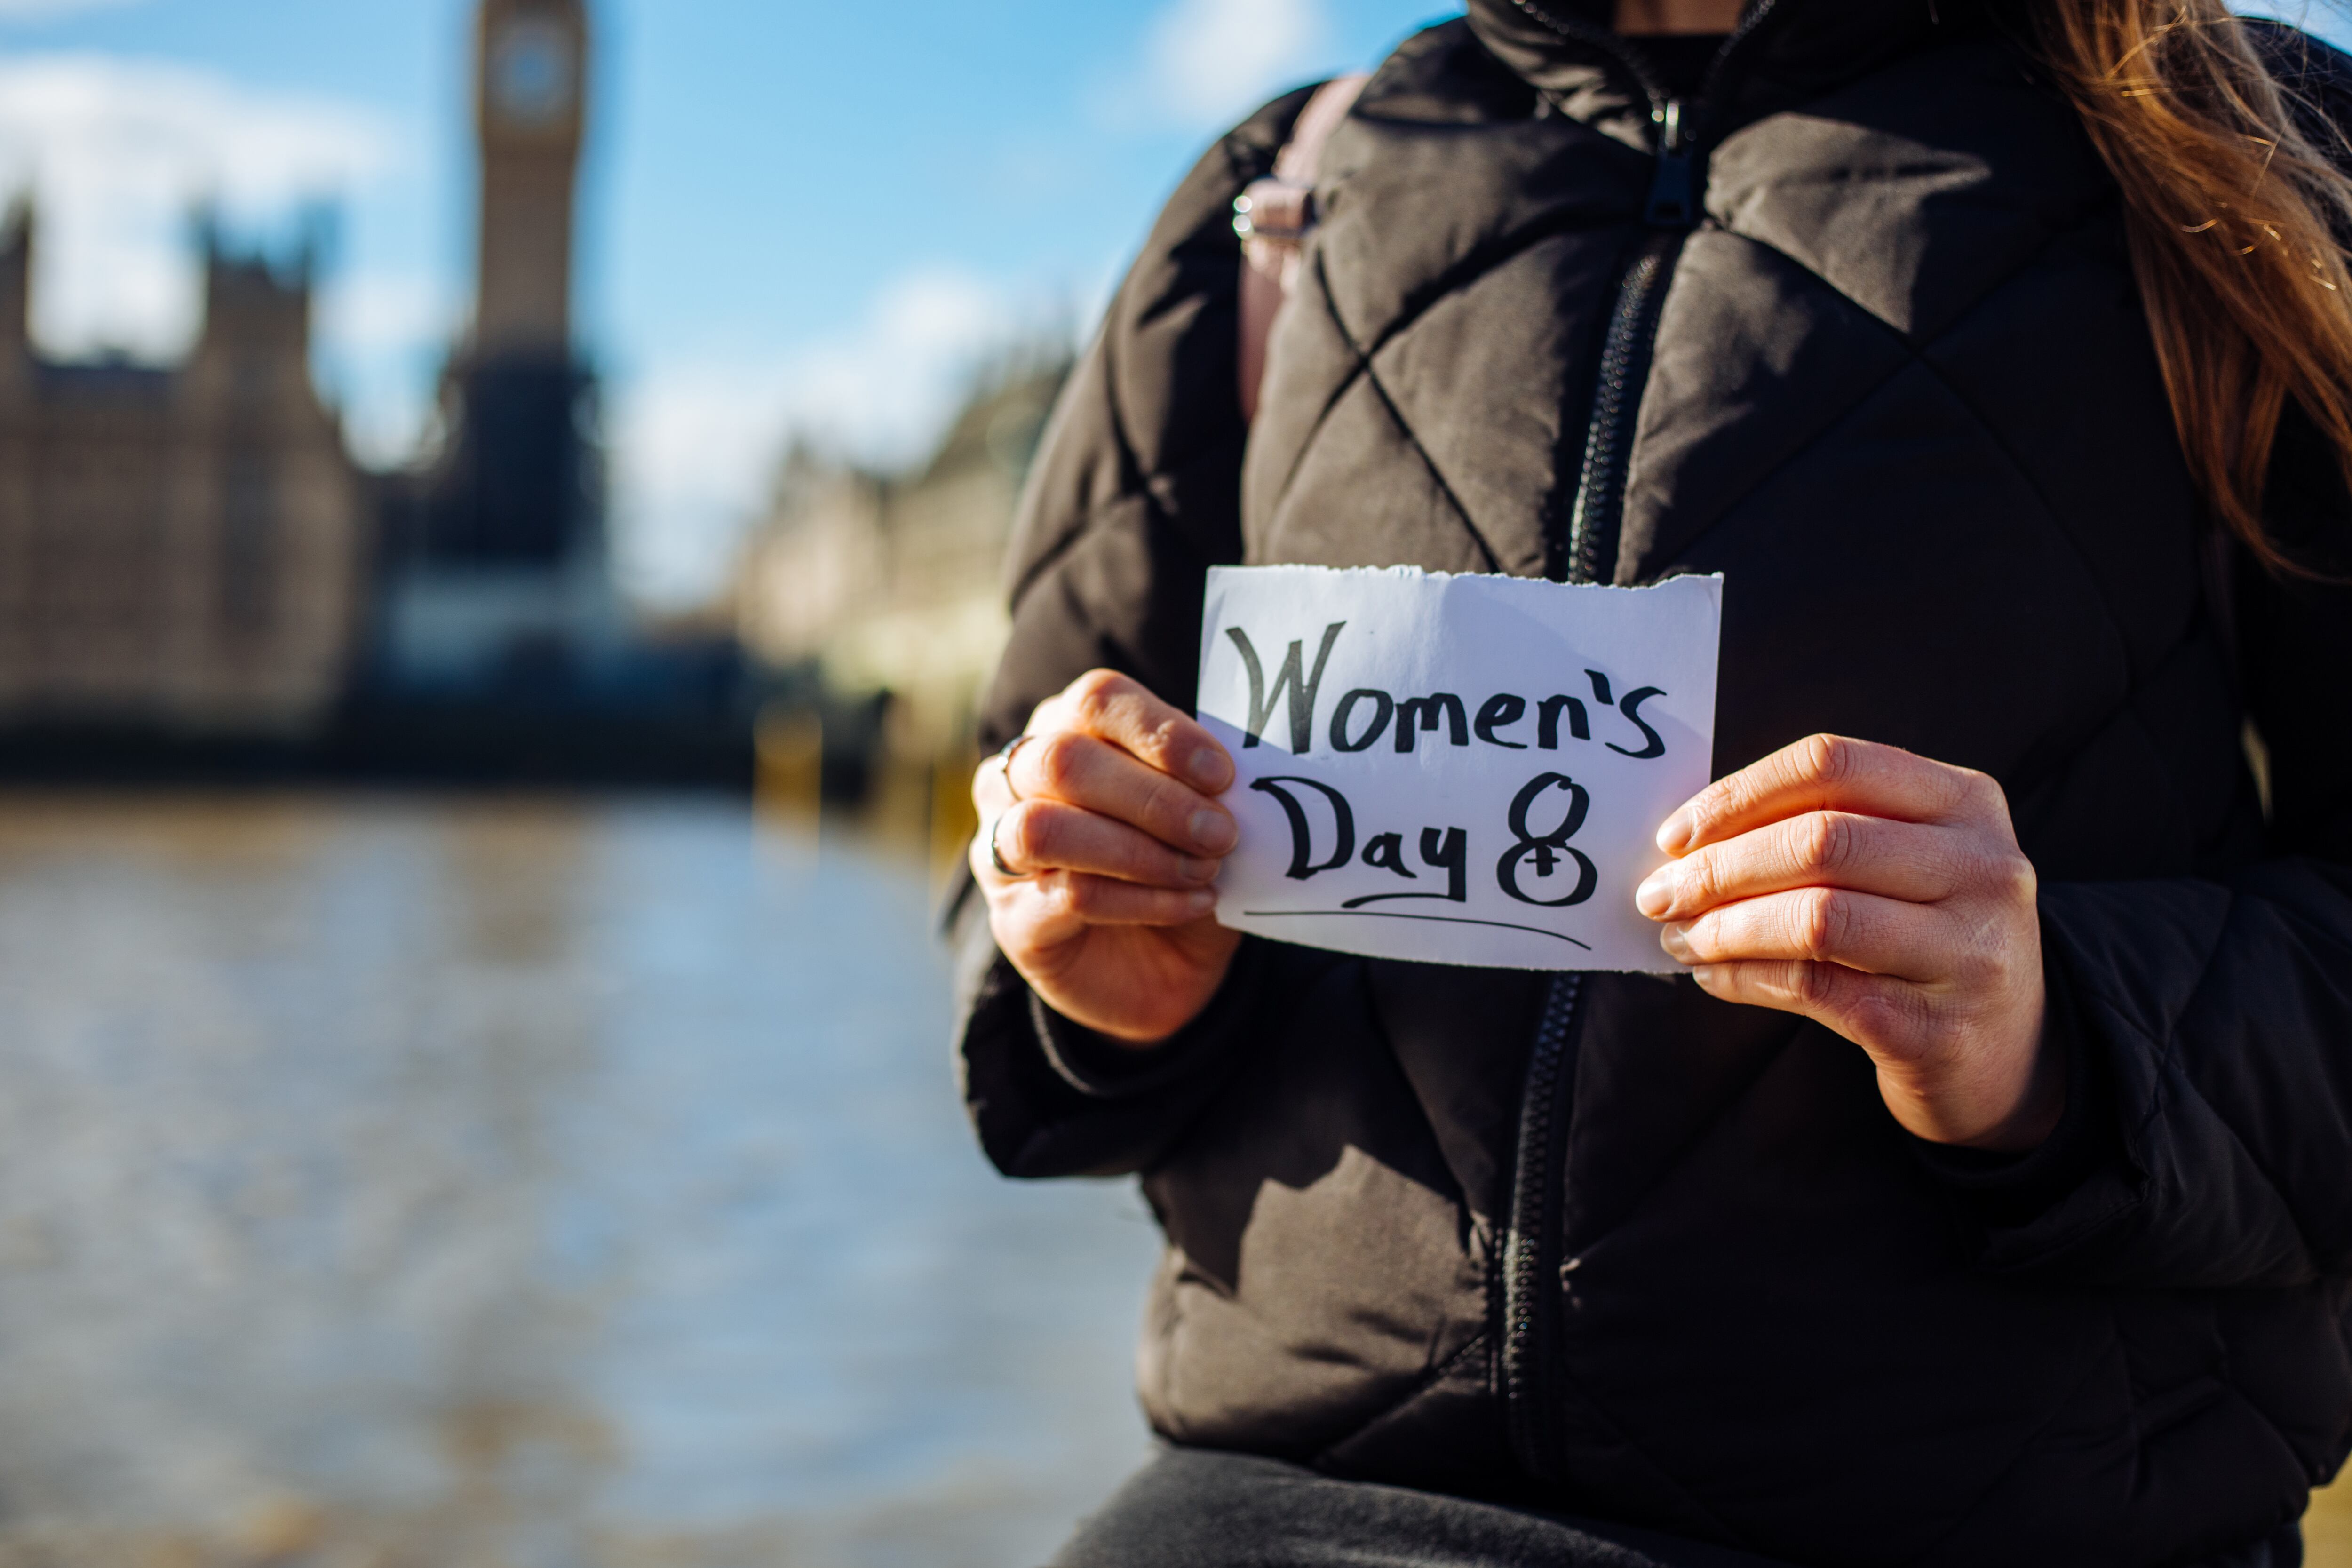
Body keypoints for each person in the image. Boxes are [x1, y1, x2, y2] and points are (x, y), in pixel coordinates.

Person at [951, 0, 2352, 1561]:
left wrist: (2062, 1031)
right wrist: (1091, 972)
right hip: (1292, 1496)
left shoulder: (2255, 153)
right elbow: (1010, 820)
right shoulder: (1281, 189)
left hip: (2040, 1518)